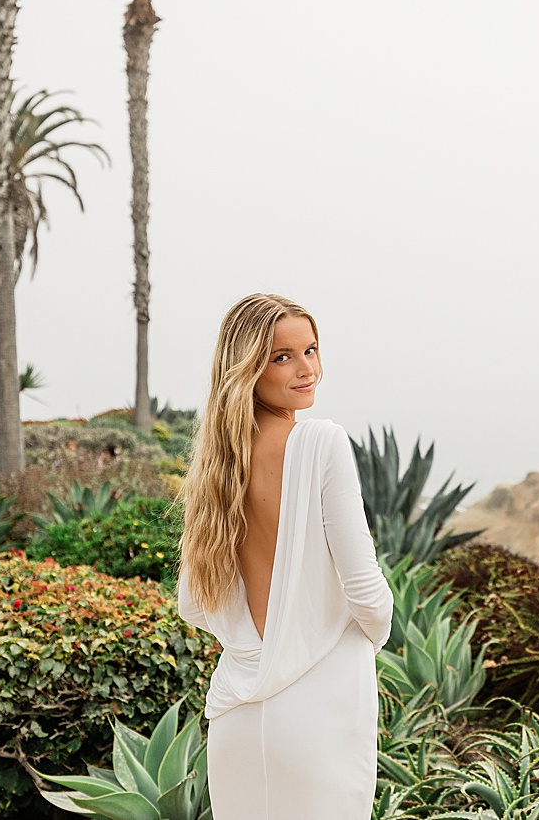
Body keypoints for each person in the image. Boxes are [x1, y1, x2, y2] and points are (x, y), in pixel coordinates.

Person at [175, 293, 392, 819]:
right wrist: (363, 637)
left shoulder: (217, 463)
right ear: (247, 367)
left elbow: (193, 605)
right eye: (283, 356)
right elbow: (366, 589)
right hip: (321, 710)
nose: (306, 369)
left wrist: (251, 644)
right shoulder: (321, 442)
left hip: (237, 717)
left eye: (311, 350)